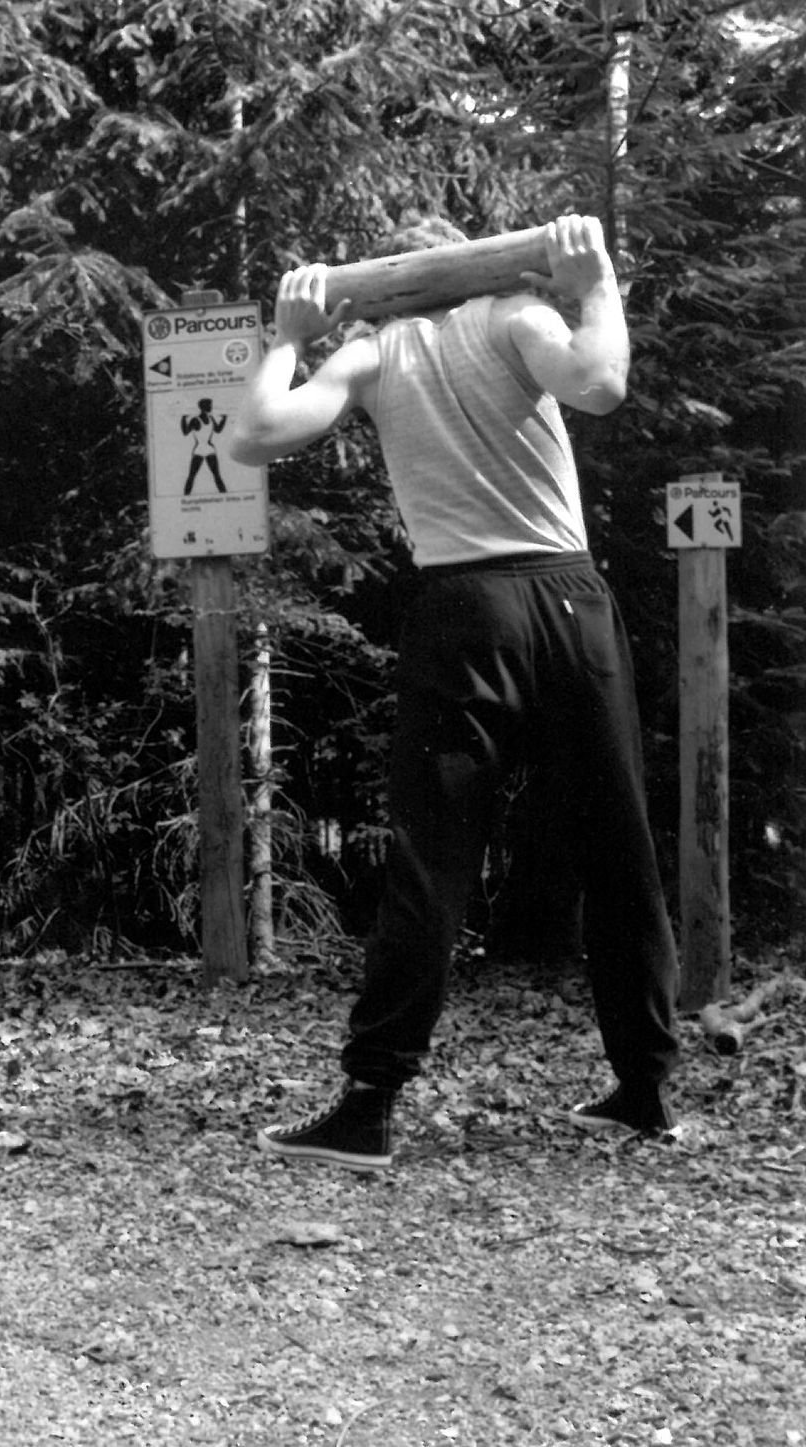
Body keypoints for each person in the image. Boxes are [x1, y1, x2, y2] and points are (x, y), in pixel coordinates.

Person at [228, 212, 681, 1171]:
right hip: (567, 601)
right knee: (618, 845)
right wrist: (597, 284)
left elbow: (256, 436)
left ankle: (368, 1107)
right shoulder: (515, 316)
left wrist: (286, 338)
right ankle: (645, 1091)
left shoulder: (372, 353)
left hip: (464, 611)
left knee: (431, 860)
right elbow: (601, 382)